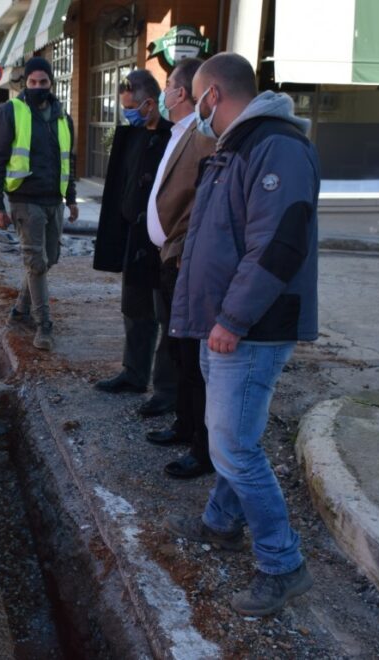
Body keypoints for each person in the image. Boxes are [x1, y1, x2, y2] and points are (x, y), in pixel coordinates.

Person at [165, 52, 320, 616]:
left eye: (192, 95)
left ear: (212, 94)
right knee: (236, 440)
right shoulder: (236, 145)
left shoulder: (275, 146)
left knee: (233, 448)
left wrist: (232, 320)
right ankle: (221, 523)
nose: (187, 104)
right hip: (223, 324)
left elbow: (278, 245)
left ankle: (283, 564)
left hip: (248, 329)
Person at [142, 57, 217, 479]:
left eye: (169, 83)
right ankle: (184, 424)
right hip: (167, 258)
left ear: (184, 92)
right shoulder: (175, 133)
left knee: (193, 357)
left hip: (185, 259)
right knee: (178, 351)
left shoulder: (202, 137)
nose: (165, 89)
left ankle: (201, 447)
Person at [92, 69, 178, 417]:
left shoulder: (174, 139)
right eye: (123, 106)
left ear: (149, 102)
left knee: (165, 314)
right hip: (133, 238)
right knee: (135, 309)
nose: (127, 112)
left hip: (161, 243)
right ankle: (134, 373)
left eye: (131, 106)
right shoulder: (133, 137)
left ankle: (167, 389)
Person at [0, 56, 78, 351]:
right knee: (35, 263)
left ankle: (21, 307)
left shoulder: (64, 117)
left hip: (55, 201)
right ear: (24, 83)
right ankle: (44, 326)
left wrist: (72, 198)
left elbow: (69, 160)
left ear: (52, 83)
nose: (38, 87)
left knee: (49, 259)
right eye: (32, 82)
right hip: (25, 200)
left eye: (43, 82)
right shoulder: (11, 112)